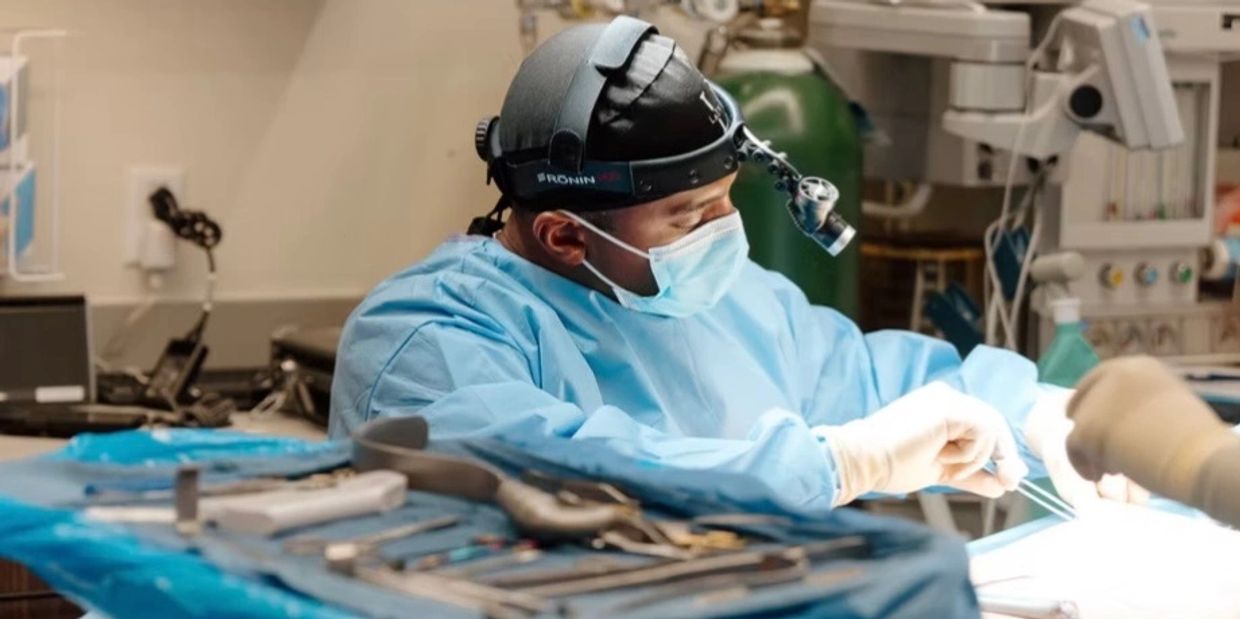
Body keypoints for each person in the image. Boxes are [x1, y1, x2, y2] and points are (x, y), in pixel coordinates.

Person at [330, 16, 1139, 513]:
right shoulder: (420, 343)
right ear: (564, 236)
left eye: (725, 197)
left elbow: (860, 380)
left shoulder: (725, 300)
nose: (724, 232)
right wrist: (836, 464)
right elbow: (569, 470)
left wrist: (1035, 415)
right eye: (689, 214)